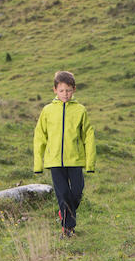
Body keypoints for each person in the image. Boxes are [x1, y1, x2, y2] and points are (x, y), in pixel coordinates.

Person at [33, 70, 96, 237]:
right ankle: (68, 229)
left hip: (75, 160)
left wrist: (90, 162)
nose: (65, 94)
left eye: (68, 90)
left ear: (74, 89)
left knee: (76, 192)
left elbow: (88, 136)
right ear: (55, 90)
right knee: (63, 194)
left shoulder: (80, 110)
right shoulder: (47, 111)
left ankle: (65, 215)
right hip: (54, 161)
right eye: (61, 90)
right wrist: (38, 164)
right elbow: (40, 136)